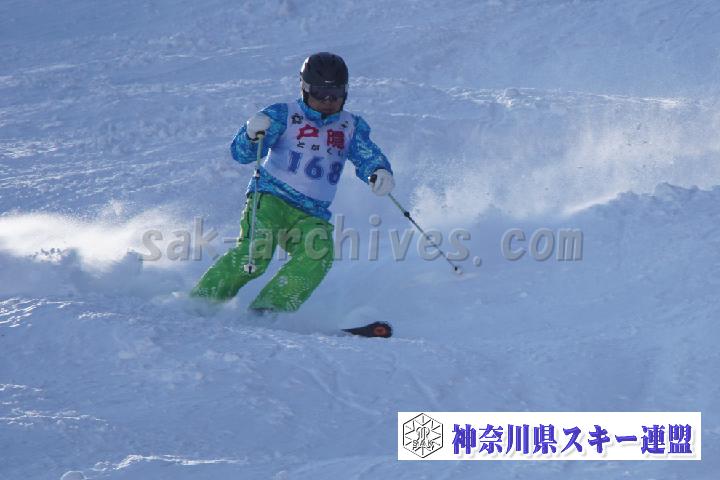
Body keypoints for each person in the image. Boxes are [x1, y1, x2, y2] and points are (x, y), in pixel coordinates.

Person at [191, 52, 394, 313]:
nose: (328, 101)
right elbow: (242, 155)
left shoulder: (350, 127)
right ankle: (202, 300)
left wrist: (378, 171)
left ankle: (268, 310)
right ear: (305, 89)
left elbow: (367, 155)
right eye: (320, 93)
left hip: (312, 213)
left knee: (319, 253)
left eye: (335, 94)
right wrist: (251, 134)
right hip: (271, 199)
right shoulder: (284, 115)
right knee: (255, 253)